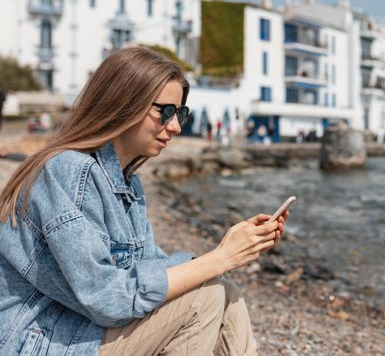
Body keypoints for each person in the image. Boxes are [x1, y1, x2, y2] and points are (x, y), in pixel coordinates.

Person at [0, 47, 288, 355]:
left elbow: (151, 270)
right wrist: (220, 258)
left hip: (79, 330)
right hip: (41, 342)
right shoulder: (69, 171)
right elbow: (107, 298)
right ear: (123, 104)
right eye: (165, 112)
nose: (176, 126)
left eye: (181, 113)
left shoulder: (126, 184)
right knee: (202, 300)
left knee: (223, 290)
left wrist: (234, 249)